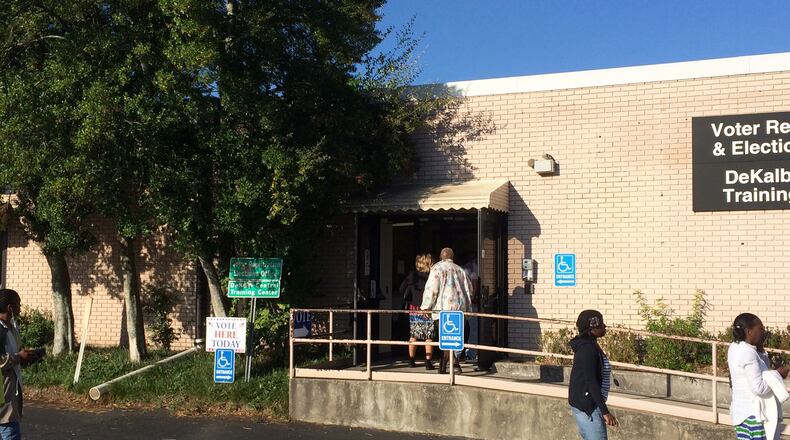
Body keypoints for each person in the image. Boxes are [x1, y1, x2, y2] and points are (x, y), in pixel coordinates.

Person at [728, 313, 789, 440]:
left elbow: (762, 369)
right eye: (760, 329)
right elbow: (759, 387)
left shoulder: (735, 347)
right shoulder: (748, 353)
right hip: (753, 415)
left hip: (741, 413)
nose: (764, 332)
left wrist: (760, 350)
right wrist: (778, 374)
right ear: (749, 331)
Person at [420, 247, 472, 374]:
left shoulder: (437, 269)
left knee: (446, 339)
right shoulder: (460, 270)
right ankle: (447, 366)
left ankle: (452, 364)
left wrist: (426, 307)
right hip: (459, 309)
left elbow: (432, 289)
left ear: (440, 256)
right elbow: (469, 288)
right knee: (451, 339)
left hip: (442, 309)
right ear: (452, 257)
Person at [568, 309, 617, 440]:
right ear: (592, 328)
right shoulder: (587, 348)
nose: (604, 327)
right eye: (601, 324)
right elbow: (591, 381)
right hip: (589, 406)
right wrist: (605, 412)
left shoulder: (590, 344)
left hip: (587, 402)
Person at [0, 288, 41, 440]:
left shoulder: (12, 328)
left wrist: (28, 356)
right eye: (18, 304)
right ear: (10, 307)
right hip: (3, 393)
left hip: (12, 389)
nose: (20, 307)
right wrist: (18, 357)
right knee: (9, 430)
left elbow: (17, 352)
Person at [399, 254, 435, 370]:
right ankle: (428, 362)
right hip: (427, 309)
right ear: (428, 263)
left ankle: (411, 360)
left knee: (413, 335)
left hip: (414, 309)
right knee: (428, 336)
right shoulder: (431, 277)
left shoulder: (412, 277)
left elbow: (401, 290)